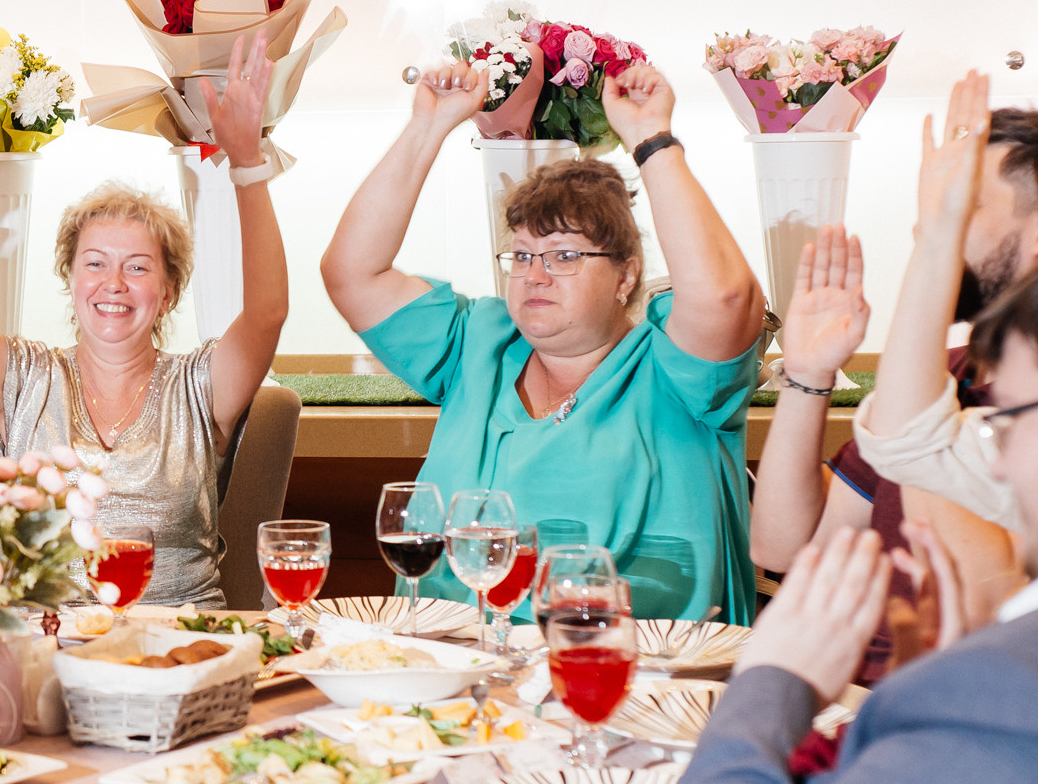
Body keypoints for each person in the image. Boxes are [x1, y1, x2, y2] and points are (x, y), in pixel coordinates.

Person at [662, 270, 1038, 784]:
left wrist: (770, 682)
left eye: (1011, 422)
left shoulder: (1003, 694)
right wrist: (809, 376)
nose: (995, 457)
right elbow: (782, 545)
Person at [322, 62, 765, 622]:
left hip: (632, 663)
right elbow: (351, 274)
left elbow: (724, 297)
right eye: (523, 255)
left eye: (565, 255)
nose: (534, 275)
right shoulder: (479, 344)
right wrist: (428, 126)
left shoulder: (676, 371)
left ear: (626, 276)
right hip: (453, 659)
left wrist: (652, 141)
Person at [0, 20, 289, 607]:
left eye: (138, 267)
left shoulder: (200, 386)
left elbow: (266, 313)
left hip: (183, 645)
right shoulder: (26, 377)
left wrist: (247, 162)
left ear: (168, 291)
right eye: (95, 264)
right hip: (49, 646)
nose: (114, 284)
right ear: (71, 278)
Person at [751, 219, 1025, 681]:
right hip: (849, 691)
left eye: (968, 204)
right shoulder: (944, 375)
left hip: (946, 697)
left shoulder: (992, 404)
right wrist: (808, 373)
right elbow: (781, 547)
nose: (924, 226)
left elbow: (981, 609)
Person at [851, 72, 1038, 547]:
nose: (932, 220)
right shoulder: (966, 374)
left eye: (964, 204)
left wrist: (937, 240)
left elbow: (907, 443)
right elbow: (906, 444)